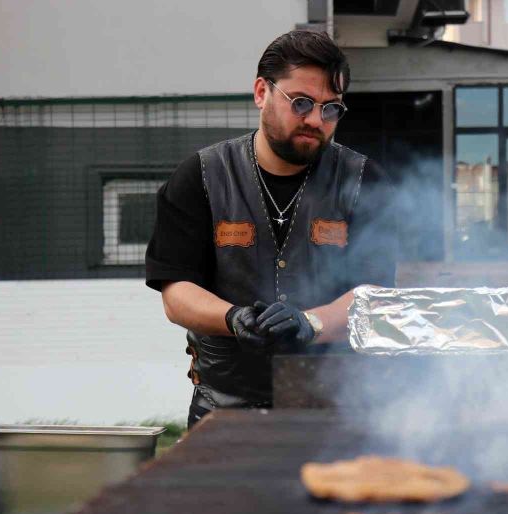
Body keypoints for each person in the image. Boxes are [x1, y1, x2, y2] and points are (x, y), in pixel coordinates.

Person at [145, 30, 397, 428]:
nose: (316, 120)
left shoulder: (364, 181)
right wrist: (234, 318)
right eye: (301, 103)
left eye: (331, 109)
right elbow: (176, 293)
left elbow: (375, 294)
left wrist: (310, 323)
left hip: (335, 410)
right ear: (262, 92)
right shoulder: (202, 177)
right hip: (224, 411)